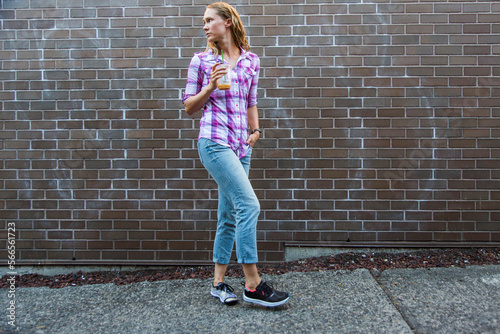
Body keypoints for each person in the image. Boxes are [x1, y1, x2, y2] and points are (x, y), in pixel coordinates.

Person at [182, 2, 289, 307]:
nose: (204, 25)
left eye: (209, 20)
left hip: (241, 145)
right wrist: (210, 86)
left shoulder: (251, 61)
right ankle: (253, 283)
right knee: (249, 206)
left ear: (227, 22)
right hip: (214, 143)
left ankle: (218, 284)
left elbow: (250, 102)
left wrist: (255, 133)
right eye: (203, 21)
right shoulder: (201, 61)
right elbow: (189, 105)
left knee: (228, 214)